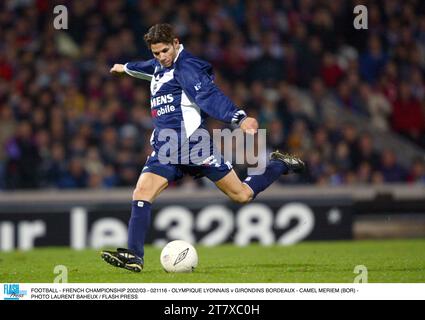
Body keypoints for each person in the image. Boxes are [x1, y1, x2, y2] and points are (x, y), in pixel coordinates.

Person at [101, 24, 305, 272]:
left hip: (194, 147)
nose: (161, 57)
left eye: (165, 51)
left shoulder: (188, 69)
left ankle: (278, 164)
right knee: (141, 192)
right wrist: (124, 68)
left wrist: (239, 118)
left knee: (242, 195)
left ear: (176, 43)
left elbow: (209, 96)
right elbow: (145, 67)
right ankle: (134, 255)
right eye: (156, 53)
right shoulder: (158, 65)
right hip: (166, 147)